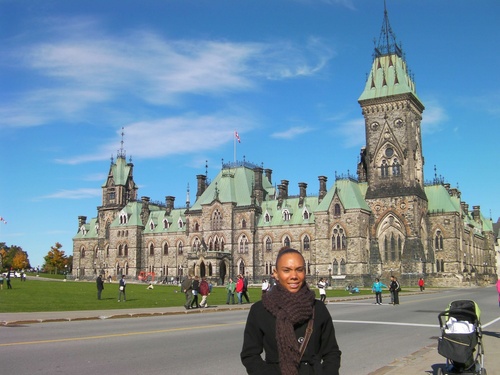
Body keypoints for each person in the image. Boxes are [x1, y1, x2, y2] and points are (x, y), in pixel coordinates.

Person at [241, 248, 341, 375]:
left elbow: (331, 352)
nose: (294, 276)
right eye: (286, 270)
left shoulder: (318, 308)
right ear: (275, 273)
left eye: (299, 270)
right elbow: (250, 355)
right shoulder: (260, 310)